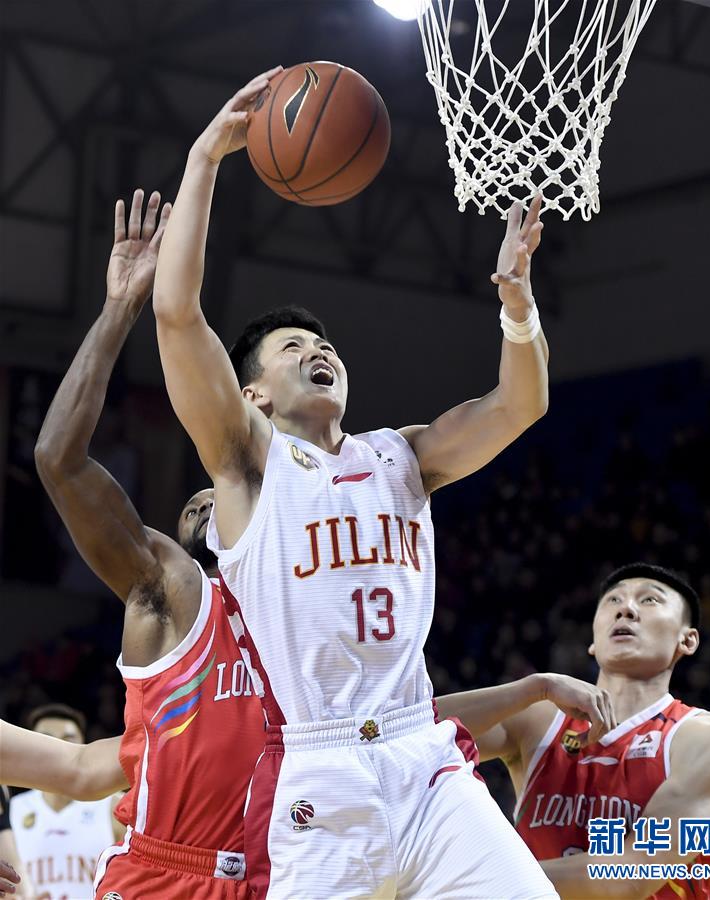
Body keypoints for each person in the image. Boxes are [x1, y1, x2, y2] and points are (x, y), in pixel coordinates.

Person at [152, 66, 563, 899]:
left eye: (325, 345)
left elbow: (518, 404)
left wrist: (516, 307)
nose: (318, 350)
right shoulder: (246, 461)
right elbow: (177, 314)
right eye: (292, 348)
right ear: (253, 394)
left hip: (425, 760)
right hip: (322, 773)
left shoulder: (401, 455)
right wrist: (203, 160)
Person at [34, 191, 265, 899]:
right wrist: (119, 309)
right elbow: (59, 460)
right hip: (163, 876)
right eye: (196, 504)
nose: (204, 504)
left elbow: (414, 717)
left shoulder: (306, 609)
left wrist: (531, 688)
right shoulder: (173, 587)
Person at [437, 563, 710, 899]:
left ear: (688, 640)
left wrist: (471, 879)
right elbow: (410, 734)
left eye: (650, 600)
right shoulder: (538, 718)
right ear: (594, 641)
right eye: (613, 601)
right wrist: (533, 687)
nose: (626, 609)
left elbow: (628, 877)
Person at [9, 704, 123, 900]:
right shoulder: (12, 810)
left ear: (84, 745)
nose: (57, 748)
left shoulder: (114, 806)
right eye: (46, 740)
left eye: (68, 740)